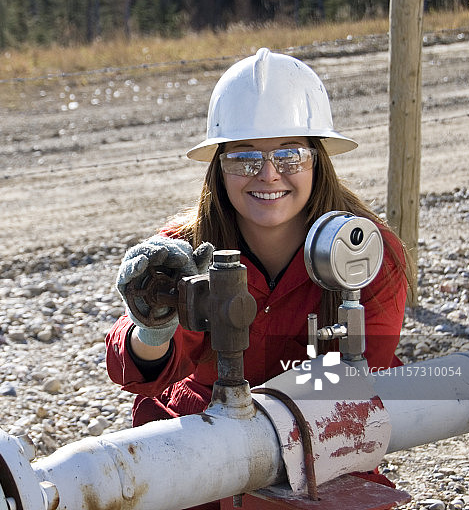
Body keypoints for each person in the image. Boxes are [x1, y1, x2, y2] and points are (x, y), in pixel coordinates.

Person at [105, 48, 410, 509]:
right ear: (218, 168)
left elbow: (367, 378)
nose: (269, 175)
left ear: (318, 160)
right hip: (198, 457)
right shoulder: (182, 251)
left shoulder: (367, 251)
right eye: (245, 159)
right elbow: (140, 372)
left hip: (319, 452)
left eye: (290, 155)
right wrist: (152, 329)